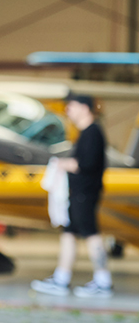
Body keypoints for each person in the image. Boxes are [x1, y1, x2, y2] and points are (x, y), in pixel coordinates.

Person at [31, 93, 112, 298]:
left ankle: (103, 282)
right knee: (69, 232)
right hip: (76, 193)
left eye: (72, 106)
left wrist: (62, 164)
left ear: (85, 108)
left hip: (85, 193)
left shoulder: (93, 133)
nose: (68, 110)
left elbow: (87, 163)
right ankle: (61, 278)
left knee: (90, 232)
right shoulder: (85, 133)